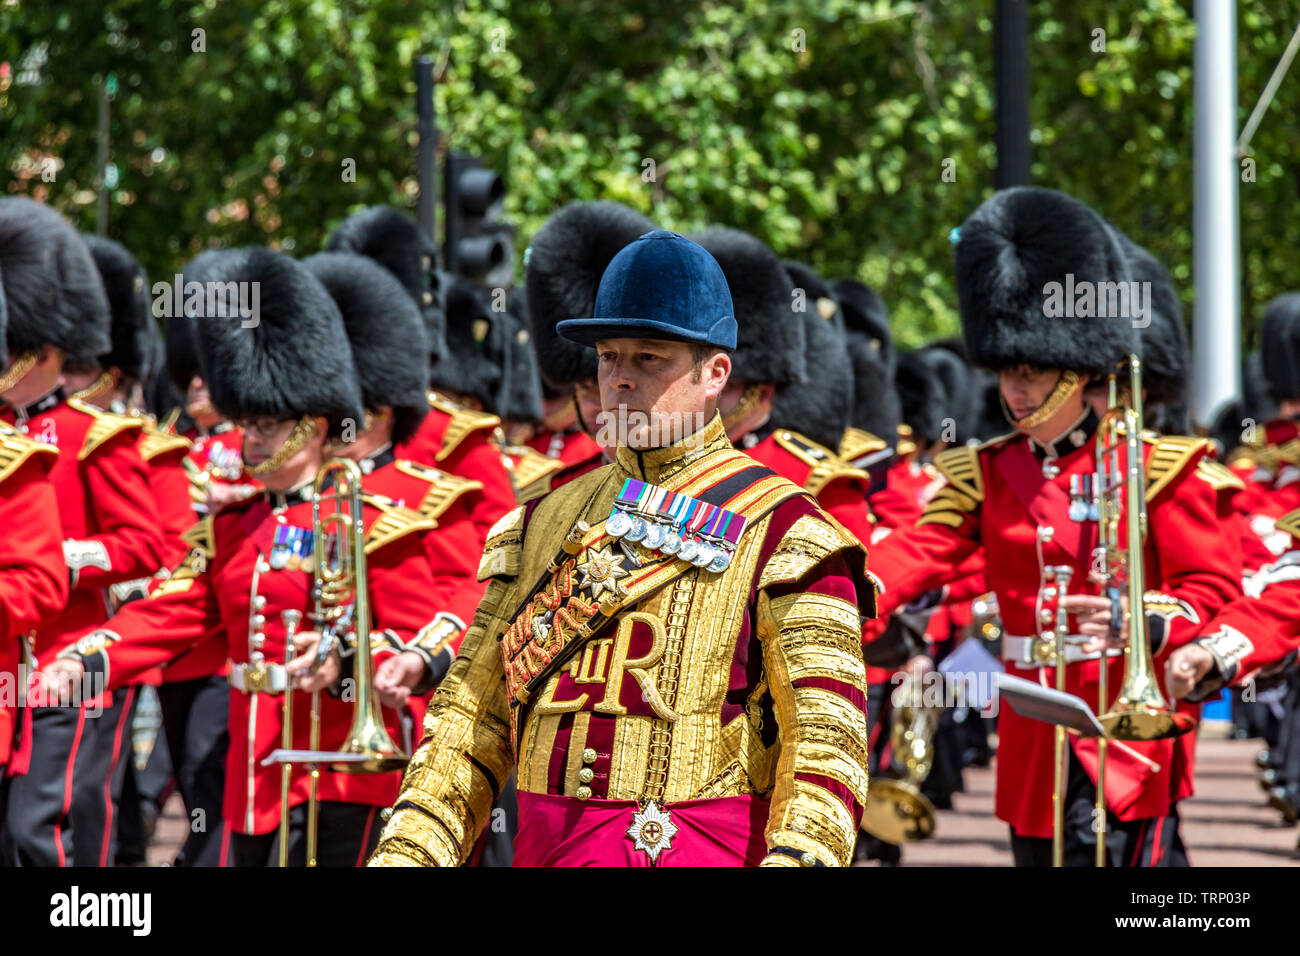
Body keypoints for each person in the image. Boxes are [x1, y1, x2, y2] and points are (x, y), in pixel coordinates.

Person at [370, 229, 873, 867]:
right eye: (609, 357)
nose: (620, 381)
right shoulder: (540, 522)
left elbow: (826, 750)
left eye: (649, 358)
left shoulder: (787, 533)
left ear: (716, 372)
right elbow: (470, 723)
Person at [863, 187, 1240, 866]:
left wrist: (1149, 622)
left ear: (1080, 370)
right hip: (1035, 736)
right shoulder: (988, 472)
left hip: (1128, 732)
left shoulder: (1156, 469)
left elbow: (1211, 585)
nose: (1016, 389)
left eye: (1033, 372)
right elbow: (917, 551)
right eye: (1010, 370)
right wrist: (840, 592)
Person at [43, 248, 444, 866]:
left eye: (267, 426)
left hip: (342, 770)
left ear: (313, 423)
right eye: (246, 423)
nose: (248, 439)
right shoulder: (236, 527)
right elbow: (174, 610)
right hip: (256, 772)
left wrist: (348, 659)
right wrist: (88, 655)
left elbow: (428, 629)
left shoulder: (374, 524)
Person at [0, 198, 167, 867]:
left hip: (68, 653)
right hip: (11, 656)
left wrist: (60, 559)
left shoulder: (95, 436)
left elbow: (145, 545)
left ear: (41, 350)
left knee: (47, 826)